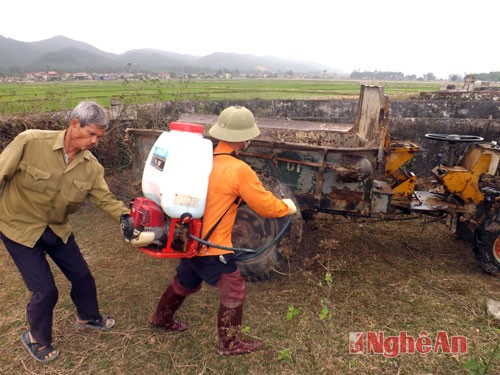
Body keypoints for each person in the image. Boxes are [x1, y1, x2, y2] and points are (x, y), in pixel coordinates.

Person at [149, 106, 297, 355]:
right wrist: (286, 207)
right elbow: (264, 204)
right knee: (234, 287)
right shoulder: (238, 170)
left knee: (185, 280)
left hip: (188, 237)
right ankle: (230, 343)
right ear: (243, 139)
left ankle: (161, 319)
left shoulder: (202, 160)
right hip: (212, 245)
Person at [0, 101, 130, 363]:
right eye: (91, 134)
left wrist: (127, 217)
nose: (95, 141)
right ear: (74, 124)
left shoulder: (91, 167)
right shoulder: (30, 142)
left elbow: (105, 199)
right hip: (18, 228)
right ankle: (36, 338)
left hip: (57, 228)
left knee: (82, 276)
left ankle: (88, 317)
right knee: (45, 290)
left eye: (99, 136)